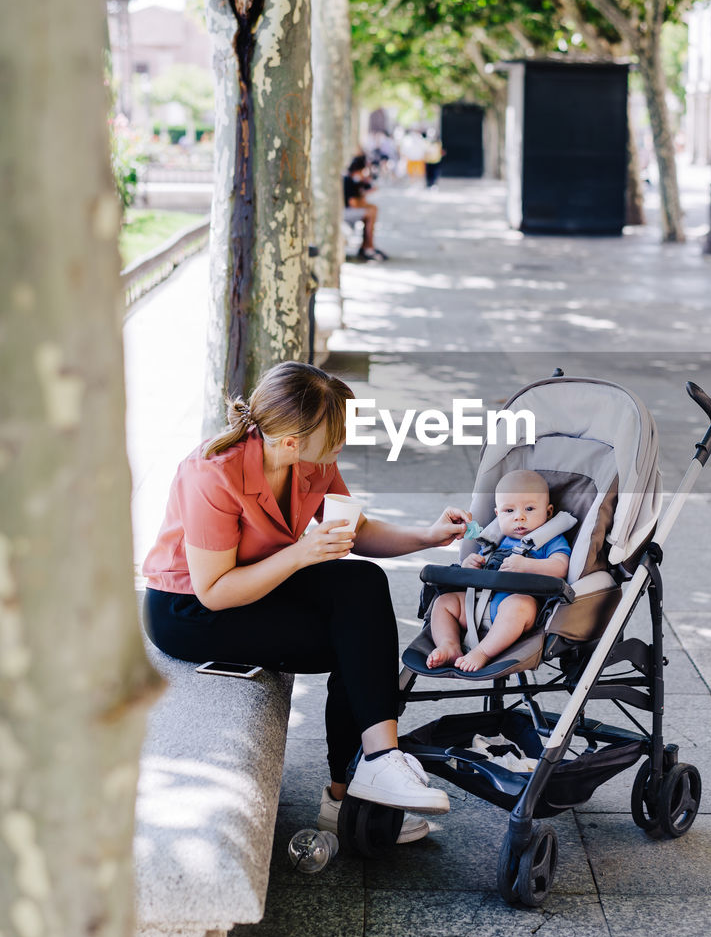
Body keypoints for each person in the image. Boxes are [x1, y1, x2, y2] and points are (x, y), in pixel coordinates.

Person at [142, 361, 472, 842]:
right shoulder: (212, 476)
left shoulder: (311, 462)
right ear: (291, 441)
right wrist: (299, 555)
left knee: (360, 586)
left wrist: (428, 534)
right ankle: (347, 796)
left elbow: (355, 531)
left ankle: (377, 764)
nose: (343, 441)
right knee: (352, 637)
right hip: (188, 610)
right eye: (335, 433)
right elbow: (214, 591)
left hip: (258, 585)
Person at [426, 470, 571, 673]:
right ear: (497, 514)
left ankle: (483, 652)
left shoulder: (550, 539)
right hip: (478, 606)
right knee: (444, 603)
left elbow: (562, 565)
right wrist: (470, 565)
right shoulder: (494, 540)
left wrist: (528, 565)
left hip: (520, 609)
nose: (519, 517)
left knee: (519, 605)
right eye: (509, 511)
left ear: (548, 512)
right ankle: (449, 645)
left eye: (529, 509)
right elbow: (480, 568)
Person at [343, 154, 387, 261]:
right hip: (344, 213)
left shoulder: (357, 180)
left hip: (347, 211)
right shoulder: (350, 180)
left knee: (373, 210)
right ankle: (369, 247)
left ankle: (366, 246)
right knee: (372, 211)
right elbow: (354, 203)